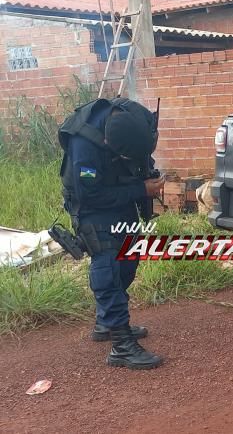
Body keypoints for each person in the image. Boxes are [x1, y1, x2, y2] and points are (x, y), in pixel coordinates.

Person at [59, 99, 165, 370]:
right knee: (107, 265)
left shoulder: (134, 117)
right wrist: (141, 190)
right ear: (107, 140)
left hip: (121, 202)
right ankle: (121, 346)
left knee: (128, 262)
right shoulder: (84, 144)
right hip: (93, 208)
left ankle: (106, 322)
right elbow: (91, 196)